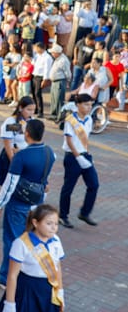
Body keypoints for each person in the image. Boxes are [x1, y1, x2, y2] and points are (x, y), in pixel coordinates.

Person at [0, 119, 55, 289]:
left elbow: (10, 183)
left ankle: (6, 277)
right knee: (32, 239)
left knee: (13, 240)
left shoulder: (21, 156)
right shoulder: (50, 152)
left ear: (27, 134)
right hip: (37, 203)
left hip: (18, 203)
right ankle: (28, 272)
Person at [0, 204, 64, 312]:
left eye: (56, 224)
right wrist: (10, 303)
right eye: (49, 223)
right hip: (27, 291)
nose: (53, 227)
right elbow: (12, 275)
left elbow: (57, 268)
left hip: (47, 291)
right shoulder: (21, 243)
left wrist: (60, 291)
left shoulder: (55, 241)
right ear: (35, 223)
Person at [58, 93, 99, 228]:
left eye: (90, 105)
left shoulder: (89, 119)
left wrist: (87, 155)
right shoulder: (70, 120)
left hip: (85, 155)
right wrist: (78, 156)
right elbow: (69, 141)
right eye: (86, 105)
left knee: (94, 184)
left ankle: (84, 213)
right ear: (78, 105)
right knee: (68, 188)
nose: (88, 107)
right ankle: (63, 216)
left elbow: (85, 138)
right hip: (72, 157)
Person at [0, 97, 35, 186]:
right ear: (20, 108)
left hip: (26, 157)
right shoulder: (12, 122)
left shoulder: (31, 121)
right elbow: (8, 143)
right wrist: (14, 162)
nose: (31, 113)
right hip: (13, 156)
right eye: (29, 110)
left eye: (33, 110)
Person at [47, 44, 71, 121]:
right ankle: (53, 114)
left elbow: (67, 72)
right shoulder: (57, 59)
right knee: (54, 98)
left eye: (53, 52)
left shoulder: (63, 60)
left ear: (57, 53)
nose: (52, 54)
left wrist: (68, 81)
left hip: (60, 81)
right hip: (54, 81)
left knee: (59, 99)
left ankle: (59, 116)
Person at [31, 42, 52, 118]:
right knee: (34, 93)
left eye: (36, 48)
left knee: (38, 93)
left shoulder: (47, 57)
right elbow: (33, 63)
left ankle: (40, 111)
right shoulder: (37, 56)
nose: (35, 50)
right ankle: (35, 108)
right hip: (34, 75)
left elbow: (47, 69)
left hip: (41, 77)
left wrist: (45, 79)